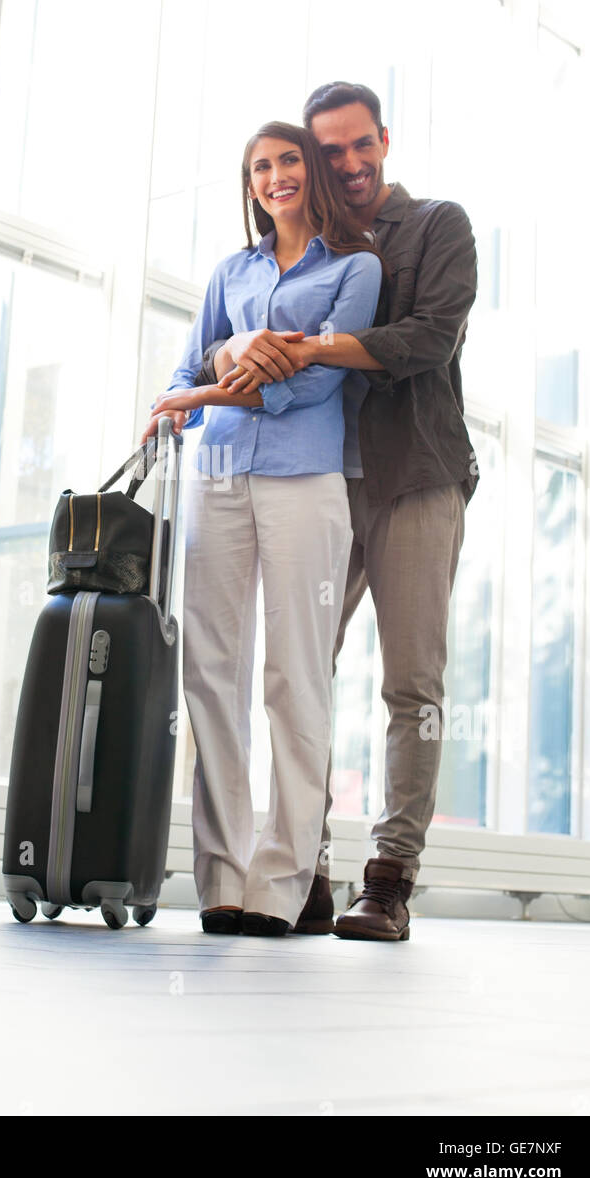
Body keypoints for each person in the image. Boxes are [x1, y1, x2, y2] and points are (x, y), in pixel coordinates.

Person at [199, 81, 478, 941]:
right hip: (314, 475)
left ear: (384, 142)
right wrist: (239, 351)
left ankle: (390, 877)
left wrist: (305, 348)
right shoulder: (307, 253)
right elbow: (217, 344)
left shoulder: (435, 226)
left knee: (411, 681)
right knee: (300, 670)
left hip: (411, 474)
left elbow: (429, 338)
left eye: (361, 145)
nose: (348, 163)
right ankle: (300, 865)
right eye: (331, 152)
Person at [142, 122, 382, 936]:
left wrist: (210, 390)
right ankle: (222, 879)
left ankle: (281, 885)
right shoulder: (229, 273)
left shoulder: (358, 269)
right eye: (259, 167)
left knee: (294, 677)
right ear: (250, 186)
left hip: (304, 481)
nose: (275, 176)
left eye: (286, 161)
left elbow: (312, 387)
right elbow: (185, 366)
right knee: (211, 671)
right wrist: (237, 353)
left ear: (309, 172)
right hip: (217, 475)